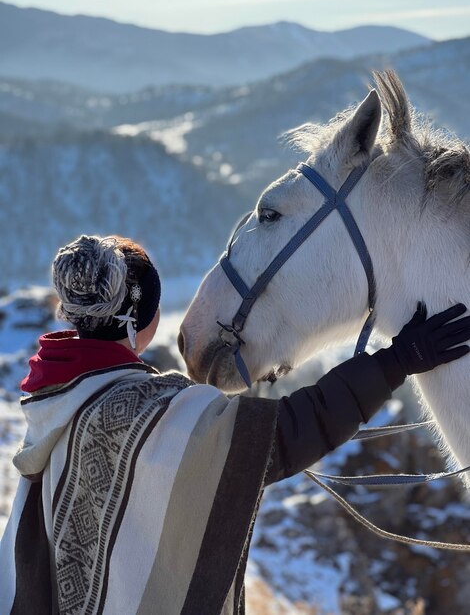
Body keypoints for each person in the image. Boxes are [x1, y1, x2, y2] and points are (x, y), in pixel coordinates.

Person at [1, 233, 470, 615]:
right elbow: (282, 436)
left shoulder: (53, 396)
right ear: (141, 320)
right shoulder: (145, 411)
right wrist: (398, 360)